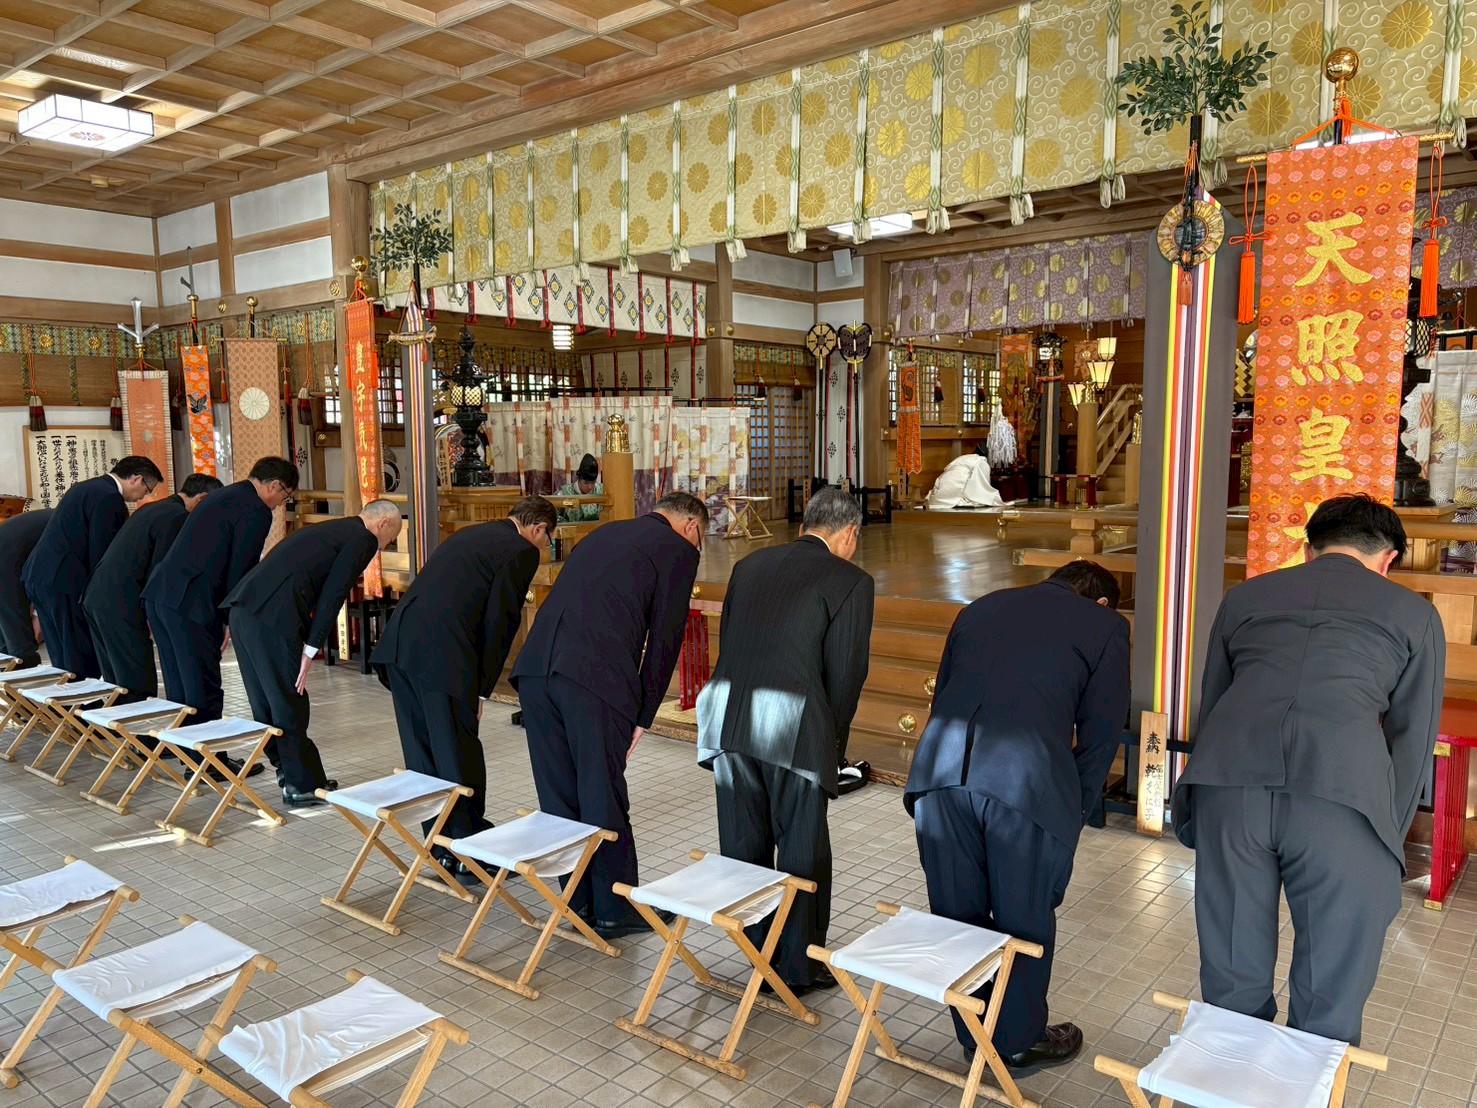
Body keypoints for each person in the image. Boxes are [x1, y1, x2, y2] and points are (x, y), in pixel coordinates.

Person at [1173, 494, 1444, 1046]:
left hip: (1231, 785)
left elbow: (1215, 698)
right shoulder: (1414, 614)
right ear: (1388, 557)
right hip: (1343, 796)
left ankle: (1223, 1086)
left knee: (1230, 969)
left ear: (1309, 547)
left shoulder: (1245, 597)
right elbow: (1412, 736)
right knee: (1329, 987)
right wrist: (1385, 834)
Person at [905, 559, 1129, 1073]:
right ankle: (1019, 1041)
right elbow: (1099, 735)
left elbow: (945, 696)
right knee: (1022, 914)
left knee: (957, 911)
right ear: (1100, 600)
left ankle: (974, 1033)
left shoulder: (981, 607)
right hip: (1022, 783)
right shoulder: (1106, 626)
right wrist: (1072, 810)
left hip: (939, 775)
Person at [697, 487, 874, 995]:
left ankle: (758, 955)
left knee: (743, 843)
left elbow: (729, 638)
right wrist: (832, 748)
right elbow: (846, 674)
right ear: (849, 535)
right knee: (802, 847)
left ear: (804, 527)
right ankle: (796, 968)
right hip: (795, 727)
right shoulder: (850, 581)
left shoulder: (749, 566)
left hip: (729, 717)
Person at [512, 490, 707, 938]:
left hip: (537, 669)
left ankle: (576, 901)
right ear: (691, 527)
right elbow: (664, 638)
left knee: (560, 794)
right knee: (601, 791)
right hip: (592, 677)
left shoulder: (606, 533)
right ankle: (615, 909)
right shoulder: (677, 549)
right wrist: (644, 714)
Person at [373, 497, 555, 841]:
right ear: (539, 528)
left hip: (400, 646)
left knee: (422, 753)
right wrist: (483, 690)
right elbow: (500, 623)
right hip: (442, 657)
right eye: (547, 540)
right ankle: (467, 845)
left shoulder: (473, 534)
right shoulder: (521, 550)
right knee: (456, 750)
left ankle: (439, 843)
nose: (544, 547)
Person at [225, 500, 404, 806]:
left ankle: (288, 772)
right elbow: (334, 594)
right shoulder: (362, 538)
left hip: (245, 610)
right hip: (273, 619)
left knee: (266, 701)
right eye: (389, 540)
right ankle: (301, 784)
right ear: (383, 524)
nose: (382, 547)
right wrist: (311, 648)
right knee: (288, 699)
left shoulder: (334, 529)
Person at [142, 456, 298, 724]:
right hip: (191, 603)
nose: (280, 504)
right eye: (285, 496)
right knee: (203, 686)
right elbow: (241, 570)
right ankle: (211, 763)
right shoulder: (256, 509)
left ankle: (188, 755)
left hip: (163, 595)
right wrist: (230, 619)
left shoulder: (226, 494)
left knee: (179, 683)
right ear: (274, 485)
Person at [82, 473, 223, 704]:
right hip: (119, 602)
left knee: (118, 680)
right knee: (137, 682)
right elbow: (160, 571)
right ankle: (142, 739)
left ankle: (122, 735)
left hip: (97, 596)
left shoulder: (154, 508)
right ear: (202, 499)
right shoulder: (177, 518)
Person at [22, 456, 163, 678]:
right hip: (64, 582)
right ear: (137, 479)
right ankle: (84, 707)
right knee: (78, 655)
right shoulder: (109, 498)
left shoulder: (86, 487)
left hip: (40, 577)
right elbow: (103, 554)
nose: (144, 497)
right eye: (148, 489)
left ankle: (64, 707)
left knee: (61, 653)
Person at [0, 509, 53, 669]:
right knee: (19, 640)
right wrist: (38, 615)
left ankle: (11, 675)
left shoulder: (55, 516)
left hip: (9, 556)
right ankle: (24, 680)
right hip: (6, 560)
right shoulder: (71, 524)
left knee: (9, 632)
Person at [925, 444, 1006, 510]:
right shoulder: (981, 461)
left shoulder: (963, 457)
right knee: (985, 497)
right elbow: (981, 483)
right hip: (954, 488)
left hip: (940, 487)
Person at [555, 453, 603, 522]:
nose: (590, 487)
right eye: (586, 483)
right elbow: (554, 517)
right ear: (579, 479)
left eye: (593, 483)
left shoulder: (601, 492)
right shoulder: (564, 494)